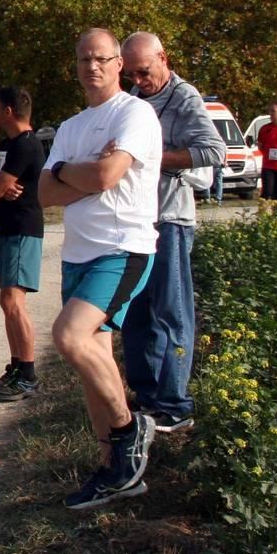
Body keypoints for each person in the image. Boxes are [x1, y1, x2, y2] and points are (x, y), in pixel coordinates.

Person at [38, 29, 162, 510]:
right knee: (94, 357)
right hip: (78, 252)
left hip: (122, 248)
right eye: (84, 59)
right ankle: (115, 470)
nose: (92, 66)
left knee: (69, 337)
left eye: (102, 58)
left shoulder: (135, 114)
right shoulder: (71, 126)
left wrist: (75, 172)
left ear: (119, 65)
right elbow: (45, 193)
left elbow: (108, 176)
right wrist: (78, 172)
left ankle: (131, 430)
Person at [119, 33, 226, 434]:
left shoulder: (184, 98)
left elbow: (214, 152)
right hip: (137, 219)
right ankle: (147, 395)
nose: (138, 80)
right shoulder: (134, 98)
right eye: (131, 74)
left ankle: (175, 404)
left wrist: (153, 158)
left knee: (170, 312)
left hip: (170, 220)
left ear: (163, 58)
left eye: (144, 72)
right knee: (136, 311)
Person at [0, 87, 45, 401]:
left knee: (13, 300)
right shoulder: (7, 144)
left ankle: (29, 375)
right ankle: (17, 367)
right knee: (7, 301)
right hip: (5, 227)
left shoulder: (26, 145)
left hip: (22, 227)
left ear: (8, 111)